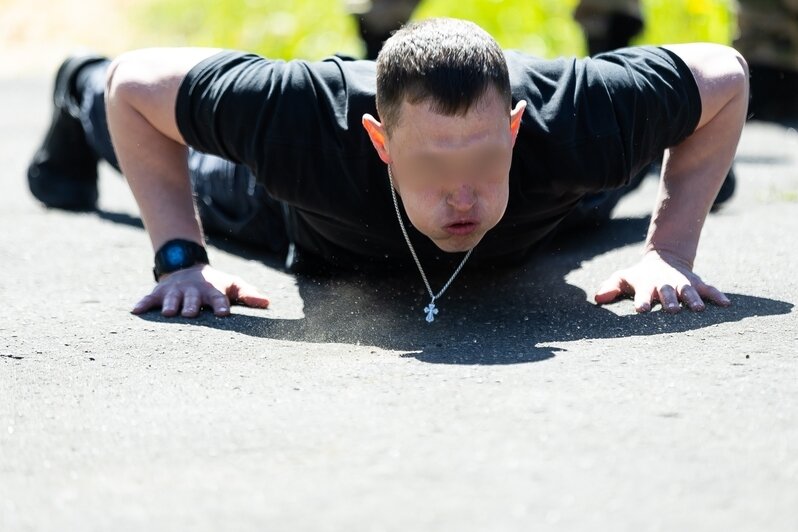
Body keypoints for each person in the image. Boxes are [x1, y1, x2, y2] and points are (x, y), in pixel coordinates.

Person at [27, 18, 747, 321]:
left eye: (482, 158)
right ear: (381, 140)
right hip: (309, 216)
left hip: (540, 203)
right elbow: (136, 87)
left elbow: (725, 75)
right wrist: (179, 258)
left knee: (626, 162)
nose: (462, 195)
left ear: (514, 128)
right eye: (435, 163)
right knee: (117, 107)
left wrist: (670, 249)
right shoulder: (298, 121)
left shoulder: (574, 121)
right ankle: (70, 84)